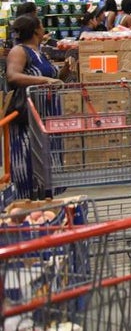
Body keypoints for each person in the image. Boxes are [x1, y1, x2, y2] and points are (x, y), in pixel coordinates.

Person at [5, 15, 72, 198]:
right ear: (35, 30)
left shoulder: (39, 51)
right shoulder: (19, 51)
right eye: (41, 25)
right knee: (29, 165)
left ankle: (44, 205)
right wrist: (45, 79)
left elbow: (54, 80)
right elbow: (13, 76)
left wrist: (64, 72)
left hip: (46, 118)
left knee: (47, 166)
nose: (44, 29)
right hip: (28, 120)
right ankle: (28, 207)